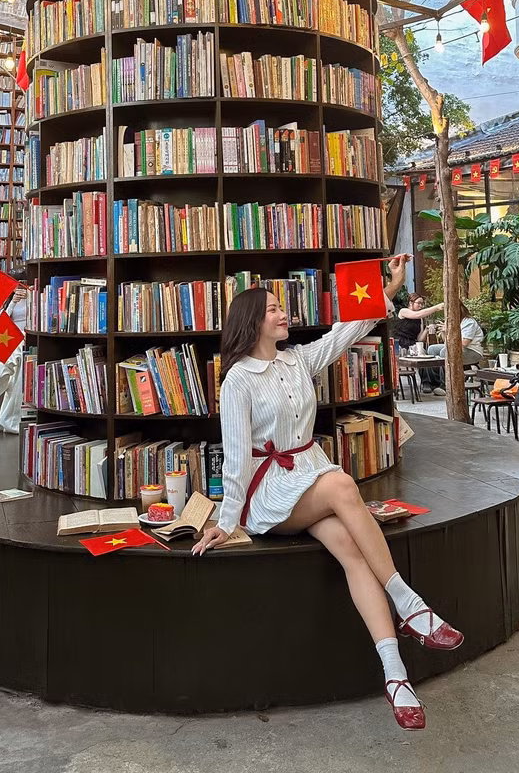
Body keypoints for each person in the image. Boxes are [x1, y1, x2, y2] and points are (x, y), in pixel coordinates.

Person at [191, 254, 463, 730]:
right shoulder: (237, 380)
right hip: (269, 490)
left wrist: (390, 289)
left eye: (281, 307)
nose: (284, 314)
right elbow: (235, 457)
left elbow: (347, 331)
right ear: (252, 321)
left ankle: (396, 676)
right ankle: (409, 604)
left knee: (351, 551)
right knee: (340, 483)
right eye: (274, 309)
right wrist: (227, 521)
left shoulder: (297, 360)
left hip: (308, 476)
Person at [0, 270, 29, 435]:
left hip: (27, 340)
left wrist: (30, 298)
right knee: (10, 381)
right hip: (11, 342)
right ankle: (3, 417)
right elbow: (0, 323)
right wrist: (12, 302)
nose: (19, 287)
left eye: (22, 283)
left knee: (21, 382)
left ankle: (17, 416)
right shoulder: (8, 300)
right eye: (16, 284)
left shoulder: (33, 297)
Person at [425, 304, 485, 393]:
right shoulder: (452, 322)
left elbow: (464, 343)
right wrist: (444, 332)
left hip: (472, 351)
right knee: (432, 349)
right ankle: (435, 383)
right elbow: (447, 342)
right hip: (457, 347)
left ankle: (445, 386)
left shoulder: (468, 322)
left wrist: (449, 331)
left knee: (445, 352)